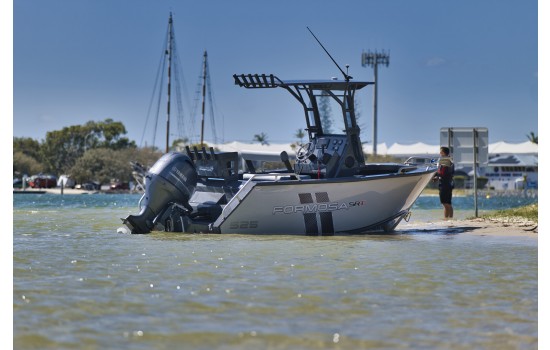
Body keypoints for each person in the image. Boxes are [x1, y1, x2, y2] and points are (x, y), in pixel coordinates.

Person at [435, 146, 454, 219]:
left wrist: (436, 176)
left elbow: (442, 172)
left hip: (444, 184)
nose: (440, 153)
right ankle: (450, 219)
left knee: (445, 203)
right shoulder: (450, 160)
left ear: (444, 153)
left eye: (441, 152)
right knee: (448, 203)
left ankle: (446, 219)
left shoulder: (445, 160)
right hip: (449, 183)